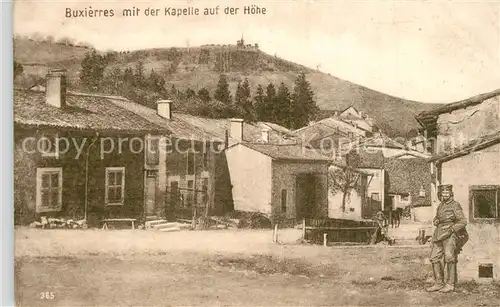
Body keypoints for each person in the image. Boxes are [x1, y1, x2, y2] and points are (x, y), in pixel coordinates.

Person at [426, 184, 469, 293]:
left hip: (450, 234)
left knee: (449, 257)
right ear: (440, 195)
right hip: (439, 234)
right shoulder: (440, 205)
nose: (444, 195)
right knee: (434, 257)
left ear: (451, 194)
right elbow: (438, 217)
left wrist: (452, 230)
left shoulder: (455, 205)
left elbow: (463, 222)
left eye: (447, 193)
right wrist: (435, 220)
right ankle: (439, 283)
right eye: (442, 193)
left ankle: (450, 284)